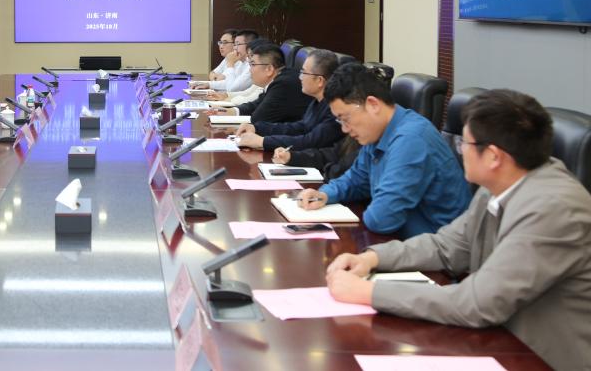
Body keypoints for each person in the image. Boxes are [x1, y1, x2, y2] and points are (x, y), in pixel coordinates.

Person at [325, 89, 591, 371]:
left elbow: (478, 302)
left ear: (493, 156)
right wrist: (372, 258)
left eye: (465, 144)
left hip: (539, 357)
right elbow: (446, 246)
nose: (460, 150)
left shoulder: (552, 208)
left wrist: (369, 292)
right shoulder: (499, 185)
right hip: (498, 339)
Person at [297, 63, 471, 238]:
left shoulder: (411, 140)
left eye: (345, 118)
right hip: (402, 241)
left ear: (372, 104)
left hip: (435, 248)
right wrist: (324, 194)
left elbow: (381, 219)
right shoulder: (378, 132)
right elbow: (357, 179)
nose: (344, 129)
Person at [234, 48, 341, 152]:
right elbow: (300, 127)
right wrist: (257, 128)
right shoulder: (317, 101)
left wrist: (262, 141)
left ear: (319, 80)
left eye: (304, 73)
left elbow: (309, 142)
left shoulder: (334, 109)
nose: (300, 78)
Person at [210, 43, 312, 123]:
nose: (250, 70)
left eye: (253, 64)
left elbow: (258, 118)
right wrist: (231, 111)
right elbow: (257, 104)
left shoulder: (283, 85)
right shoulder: (278, 79)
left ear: (269, 69)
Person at [191, 29, 258, 93]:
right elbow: (229, 83)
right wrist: (209, 84)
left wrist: (230, 64)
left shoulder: (253, 65)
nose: (235, 48)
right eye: (235, 44)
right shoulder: (242, 62)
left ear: (249, 46)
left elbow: (232, 88)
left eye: (238, 44)